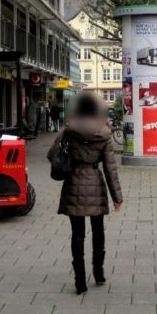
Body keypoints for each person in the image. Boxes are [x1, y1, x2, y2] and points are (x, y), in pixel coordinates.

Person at [47, 92, 122, 294]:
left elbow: (51, 154)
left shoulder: (69, 129)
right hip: (95, 184)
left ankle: (80, 281)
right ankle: (99, 272)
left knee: (77, 234)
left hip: (73, 183)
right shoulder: (104, 133)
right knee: (98, 231)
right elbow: (110, 168)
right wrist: (117, 198)